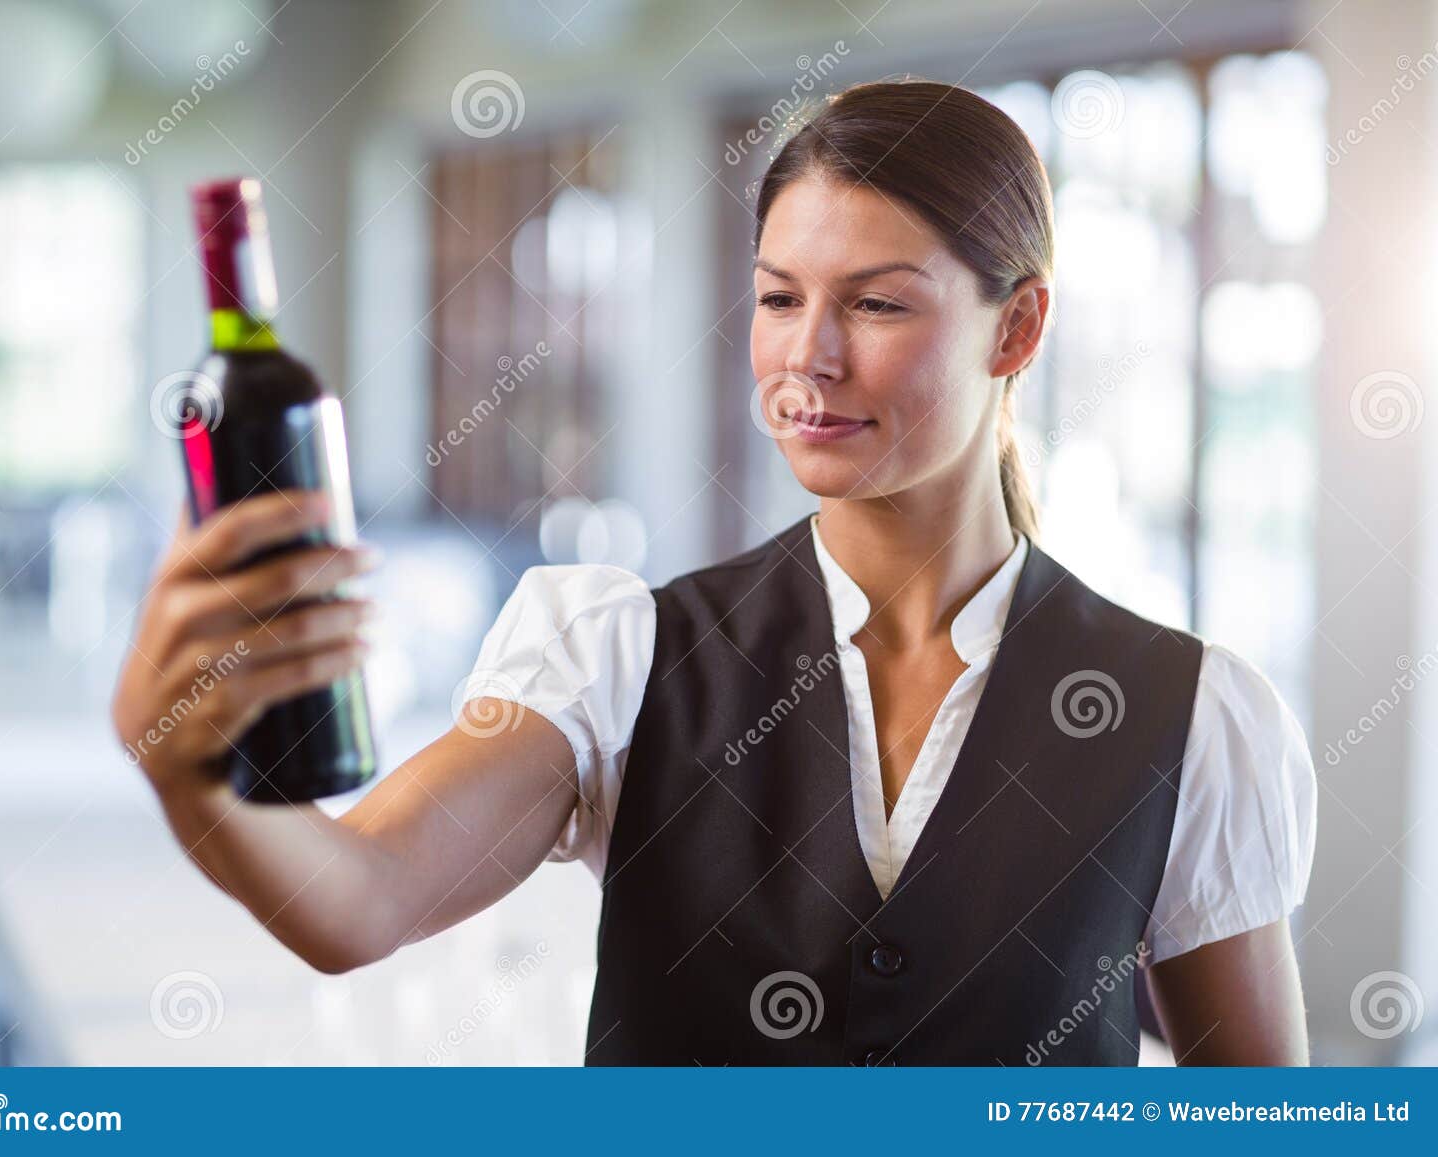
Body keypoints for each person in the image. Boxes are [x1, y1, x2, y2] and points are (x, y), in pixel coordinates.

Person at [111, 79, 1316, 1066]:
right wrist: (191, 779)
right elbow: (355, 897)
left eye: (877, 304)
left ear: (1016, 329)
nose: (810, 356)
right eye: (778, 298)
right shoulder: (619, 655)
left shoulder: (1190, 715)